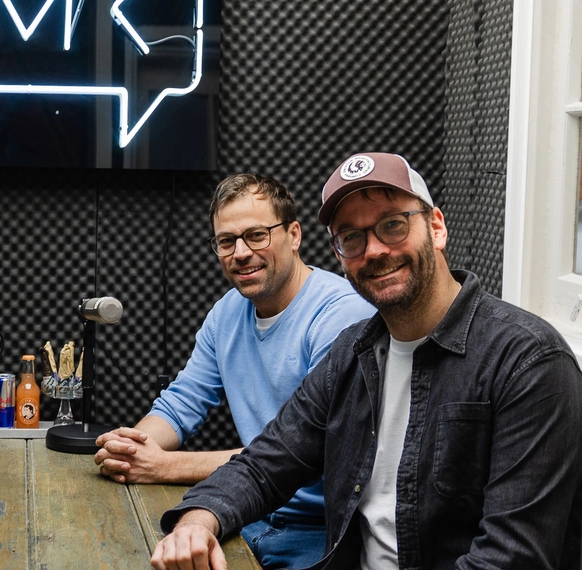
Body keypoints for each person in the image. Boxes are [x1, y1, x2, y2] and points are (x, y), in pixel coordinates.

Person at [152, 152, 582, 570]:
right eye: (352, 237)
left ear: (436, 227)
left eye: (393, 225)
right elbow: (267, 463)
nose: (373, 250)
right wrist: (197, 523)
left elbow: (513, 555)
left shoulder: (529, 362)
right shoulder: (352, 352)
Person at [94, 173, 375, 569]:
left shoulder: (341, 316)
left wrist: (164, 465)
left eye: (256, 235)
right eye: (226, 241)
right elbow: (181, 403)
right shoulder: (227, 312)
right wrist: (132, 449)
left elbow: (310, 454)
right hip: (246, 511)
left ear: (294, 235)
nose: (240, 253)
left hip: (320, 531)